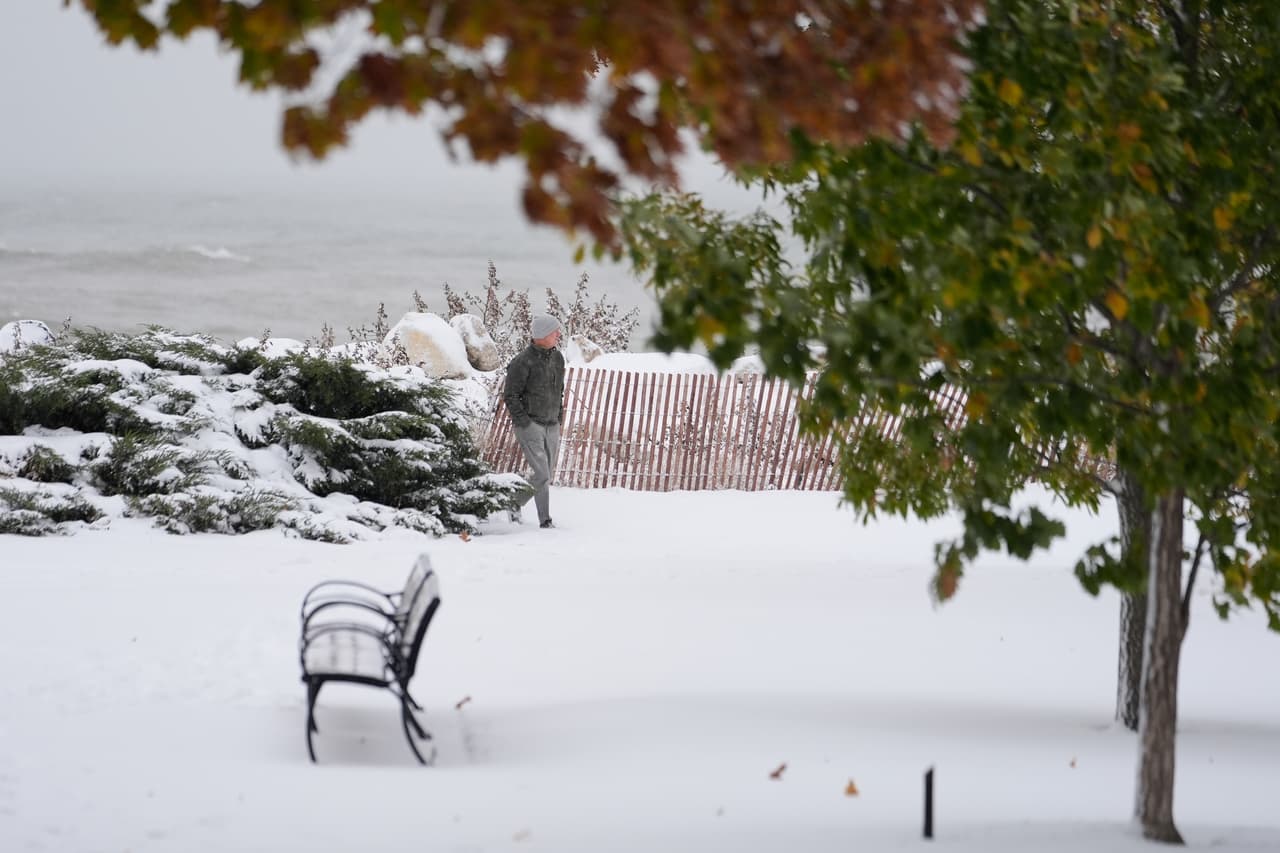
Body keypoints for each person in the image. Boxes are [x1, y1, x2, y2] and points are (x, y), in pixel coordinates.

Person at [503, 314, 565, 528]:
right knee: (541, 473)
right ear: (543, 334)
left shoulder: (558, 359)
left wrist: (559, 417)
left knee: (544, 476)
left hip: (552, 425)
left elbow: (560, 391)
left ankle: (544, 520)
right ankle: (513, 503)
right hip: (531, 425)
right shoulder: (522, 361)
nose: (558, 334)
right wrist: (524, 422)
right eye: (555, 331)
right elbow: (510, 395)